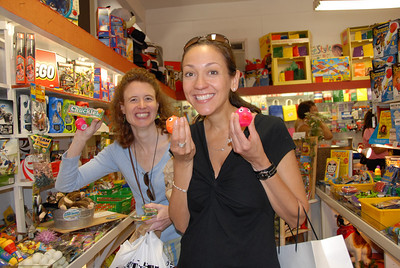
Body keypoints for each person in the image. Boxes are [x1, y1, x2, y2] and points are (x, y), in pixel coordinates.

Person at [168, 33, 309, 267]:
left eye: (212, 72)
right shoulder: (188, 138)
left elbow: (297, 216)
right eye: (190, 73)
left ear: (234, 80)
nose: (200, 83)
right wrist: (182, 163)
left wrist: (259, 161)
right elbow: (182, 225)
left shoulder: (267, 130)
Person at [55, 68, 181, 265]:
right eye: (133, 100)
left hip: (184, 242)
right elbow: (66, 185)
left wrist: (173, 213)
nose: (141, 106)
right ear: (122, 107)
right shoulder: (117, 152)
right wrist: (80, 139)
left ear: (157, 104)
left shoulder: (179, 141)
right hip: (145, 248)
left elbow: (205, 193)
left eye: (148, 98)